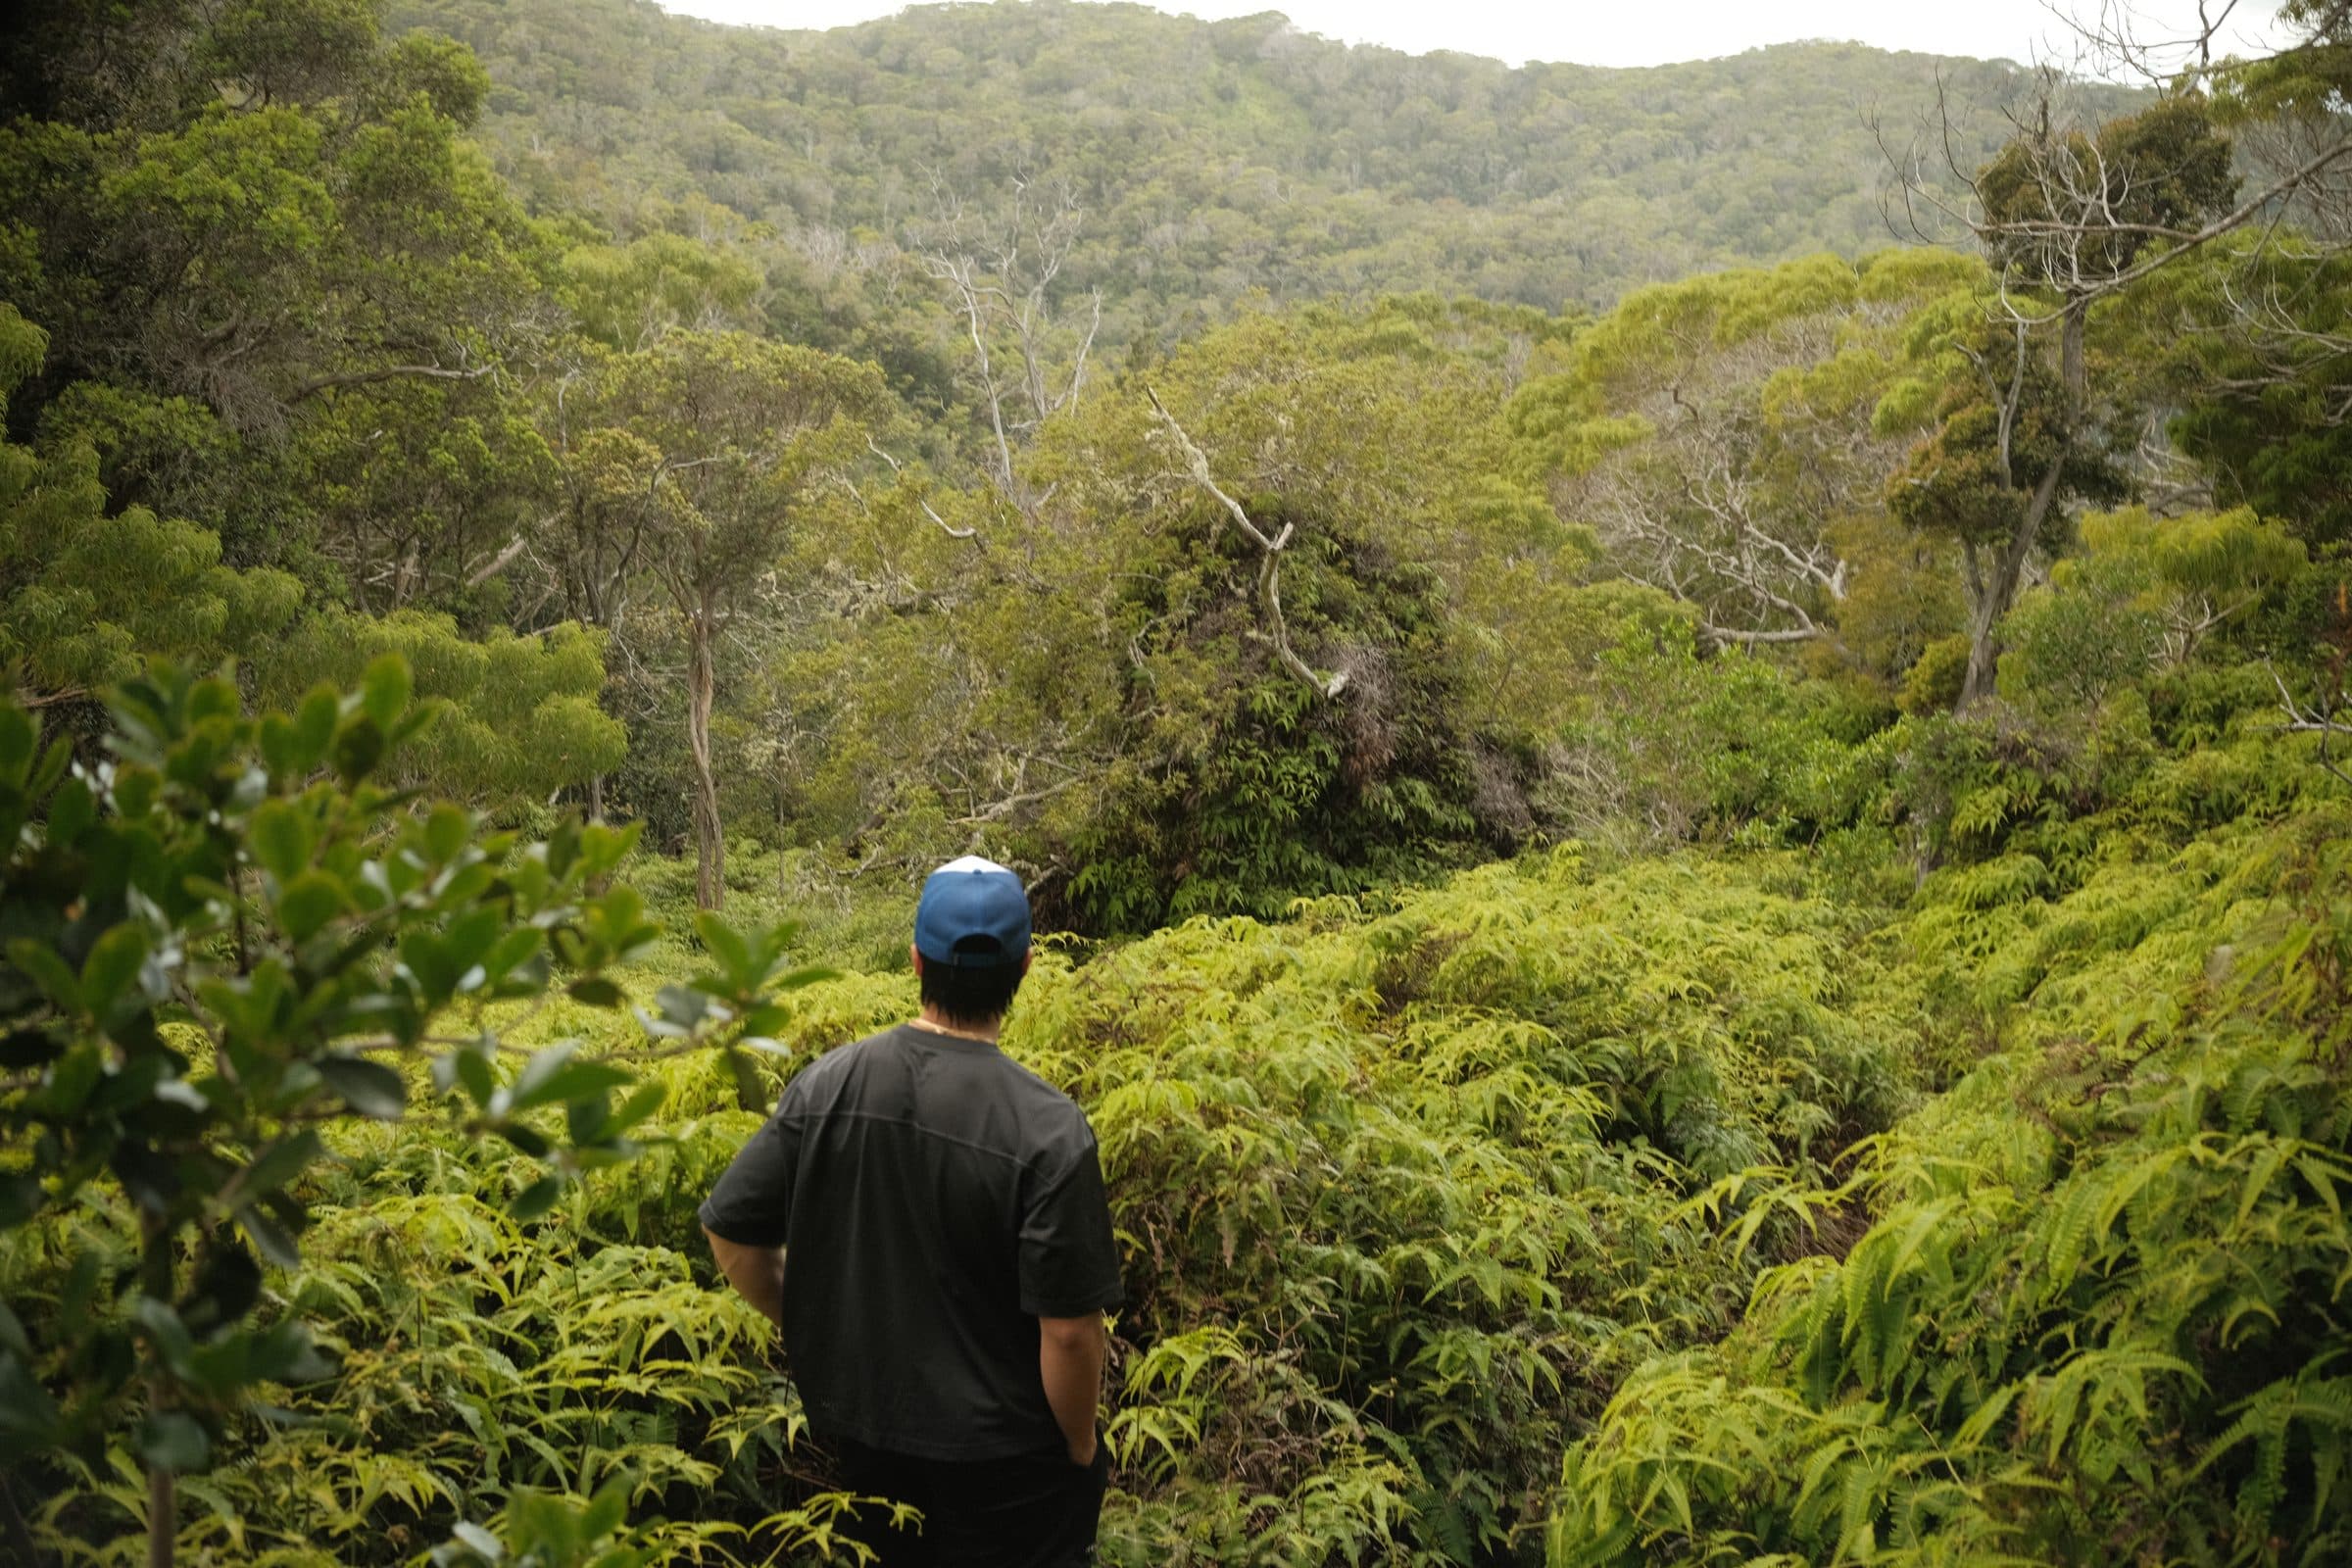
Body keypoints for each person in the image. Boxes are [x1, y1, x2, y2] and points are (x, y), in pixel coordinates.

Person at [700, 855, 1122, 1567]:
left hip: (867, 1443)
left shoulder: (827, 1085)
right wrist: (1079, 1446)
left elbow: (731, 1233)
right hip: (1011, 1467)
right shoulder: (1051, 1130)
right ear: (1023, 969)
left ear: (916, 962)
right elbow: (1072, 1337)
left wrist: (814, 1323)